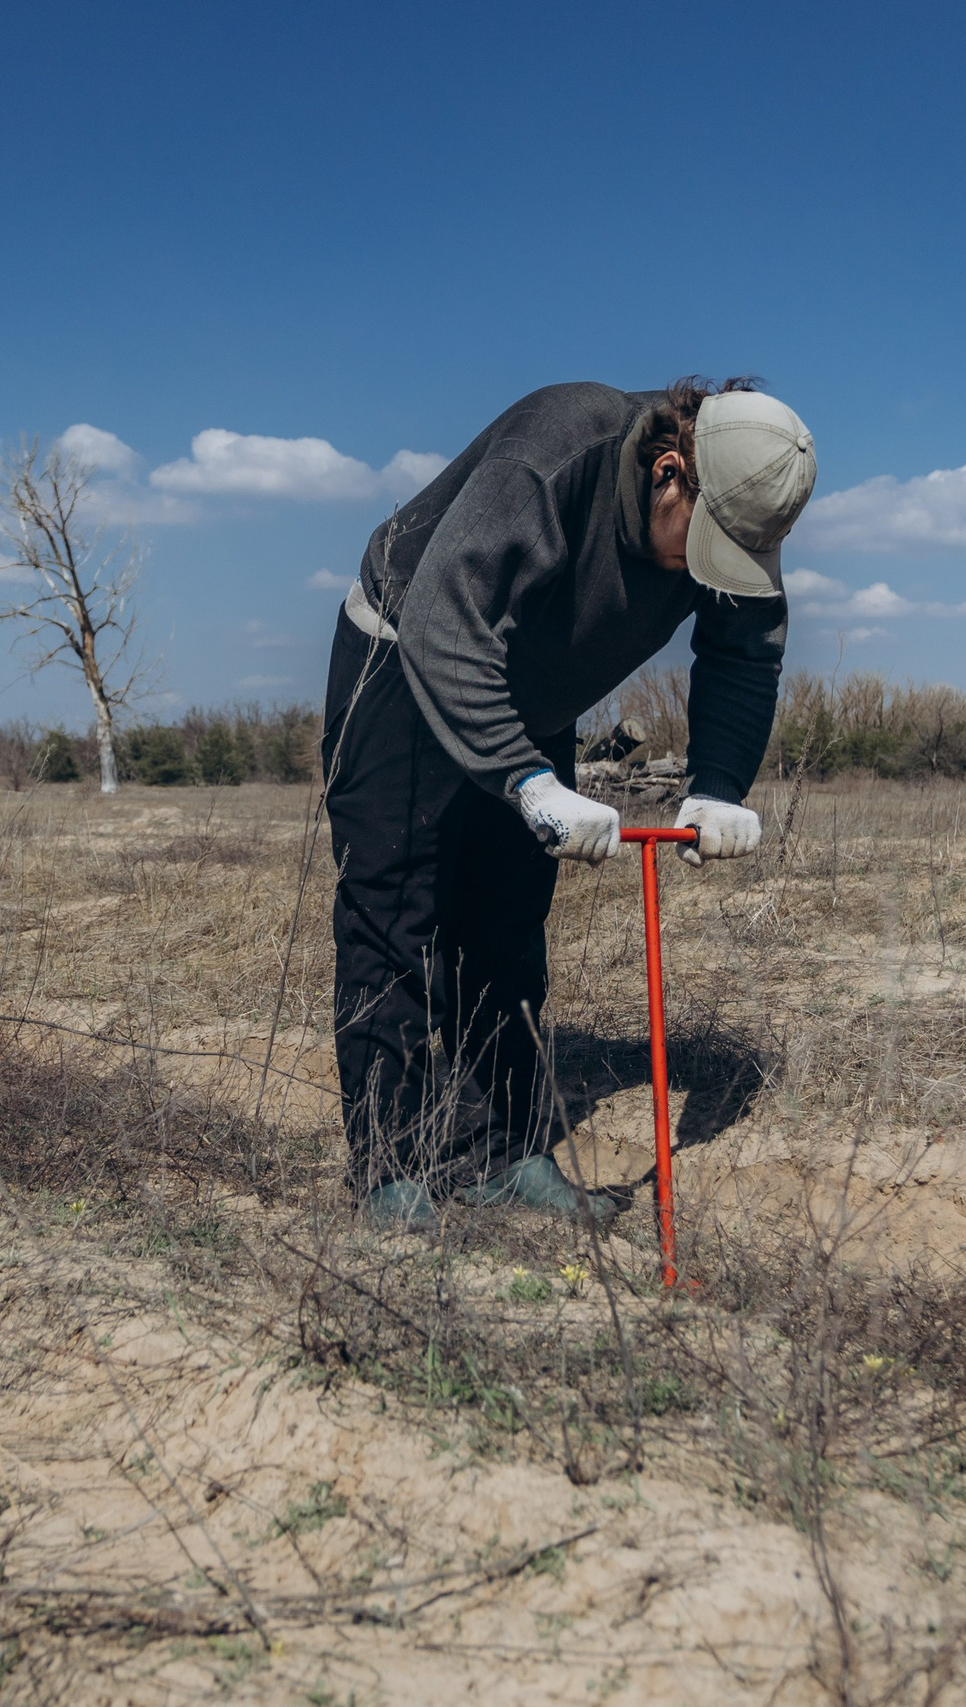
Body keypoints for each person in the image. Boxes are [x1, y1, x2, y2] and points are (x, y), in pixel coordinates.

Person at [321, 379, 814, 1231]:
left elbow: (742, 653)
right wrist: (525, 779)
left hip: (528, 690)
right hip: (406, 652)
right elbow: (446, 615)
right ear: (669, 472)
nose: (707, 572)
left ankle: (501, 1152)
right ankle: (390, 1167)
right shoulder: (552, 454)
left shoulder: (738, 506)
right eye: (703, 545)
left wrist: (718, 784)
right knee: (394, 913)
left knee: (507, 926)